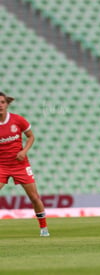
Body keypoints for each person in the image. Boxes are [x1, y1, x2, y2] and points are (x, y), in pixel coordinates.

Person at [0, 91, 49, 237]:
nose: (0, 105)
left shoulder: (17, 120)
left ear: (7, 104)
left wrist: (24, 151)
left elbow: (31, 136)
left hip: (20, 165)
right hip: (2, 166)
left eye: (2, 102)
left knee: (34, 197)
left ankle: (44, 229)